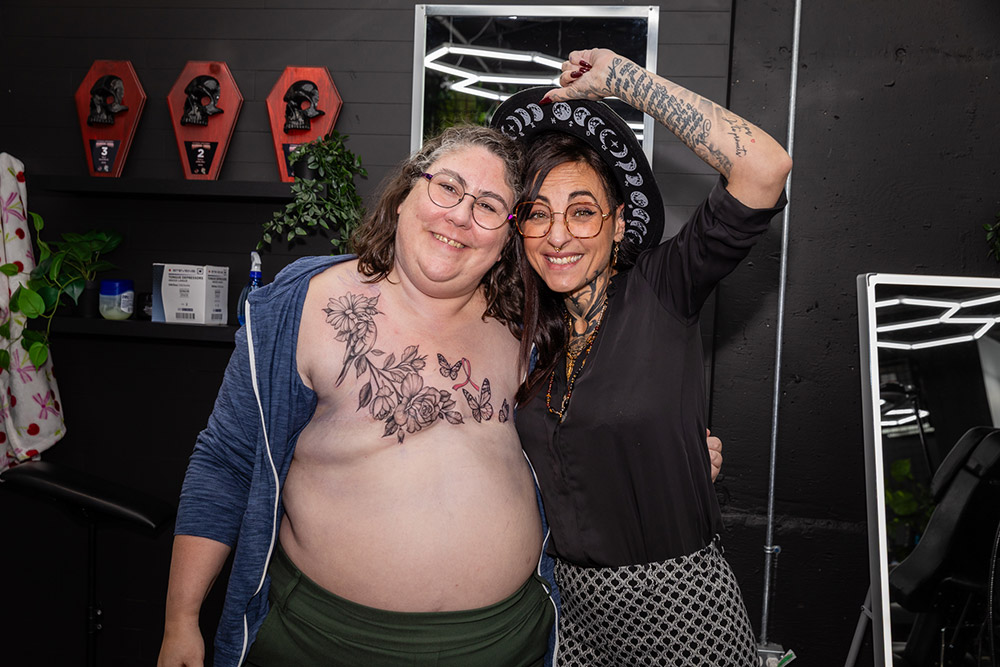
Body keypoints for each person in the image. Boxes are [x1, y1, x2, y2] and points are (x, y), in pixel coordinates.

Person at [157, 121, 727, 666]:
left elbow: (579, 439)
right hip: (325, 641)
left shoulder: (527, 328)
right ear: (406, 194)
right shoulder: (303, 305)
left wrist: (662, 455)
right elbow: (226, 462)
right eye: (448, 188)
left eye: (489, 206)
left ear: (507, 236)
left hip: (510, 644)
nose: (460, 216)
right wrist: (181, 619)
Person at [493, 48, 792, 665]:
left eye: (582, 212)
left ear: (618, 223)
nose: (557, 235)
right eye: (538, 214)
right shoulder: (524, 328)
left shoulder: (664, 286)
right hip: (569, 613)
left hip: (681, 607)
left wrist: (626, 82)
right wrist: (669, 456)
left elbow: (765, 167)